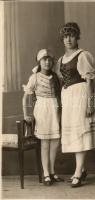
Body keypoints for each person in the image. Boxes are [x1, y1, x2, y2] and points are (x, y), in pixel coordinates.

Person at [56, 22, 95, 188]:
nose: (68, 39)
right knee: (74, 133)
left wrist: (91, 103)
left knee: (81, 133)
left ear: (77, 37)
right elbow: (62, 81)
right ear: (62, 39)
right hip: (68, 98)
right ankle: (82, 170)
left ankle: (77, 173)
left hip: (81, 96)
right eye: (65, 36)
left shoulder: (83, 55)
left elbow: (90, 81)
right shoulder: (61, 59)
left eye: (72, 35)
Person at [22, 49, 64, 186]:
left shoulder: (56, 77)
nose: (47, 62)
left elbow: (61, 94)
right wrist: (26, 114)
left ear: (52, 62)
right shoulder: (35, 77)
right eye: (44, 59)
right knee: (45, 142)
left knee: (55, 141)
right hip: (42, 109)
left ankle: (52, 171)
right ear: (39, 62)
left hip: (55, 108)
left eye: (49, 59)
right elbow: (26, 97)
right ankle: (46, 173)